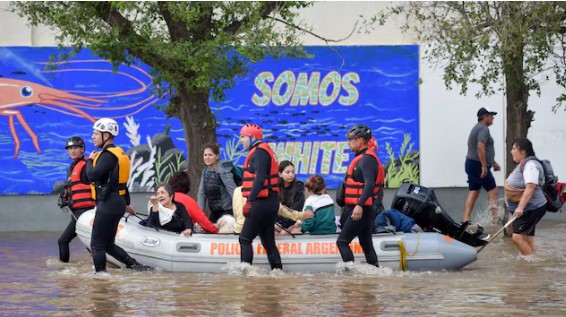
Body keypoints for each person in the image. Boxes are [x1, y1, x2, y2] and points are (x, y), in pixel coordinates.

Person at [86, 117, 151, 273]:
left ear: (106, 136)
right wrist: (127, 203)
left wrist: (89, 160)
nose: (92, 137)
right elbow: (121, 183)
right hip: (118, 202)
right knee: (108, 244)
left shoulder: (107, 155)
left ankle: (100, 277)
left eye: (96, 134)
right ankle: (137, 267)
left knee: (97, 244)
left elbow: (93, 175)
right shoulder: (120, 153)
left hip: (108, 203)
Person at [336, 124, 384, 267]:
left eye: (351, 139)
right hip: (363, 208)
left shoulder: (367, 159)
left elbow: (369, 185)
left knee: (342, 242)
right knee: (366, 244)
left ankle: (351, 275)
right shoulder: (362, 158)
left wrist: (359, 206)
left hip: (362, 209)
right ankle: (375, 274)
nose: (349, 143)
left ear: (361, 140)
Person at [238, 123, 282, 270]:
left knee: (244, 239)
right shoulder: (263, 151)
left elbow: (260, 178)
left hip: (262, 203)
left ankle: (245, 275)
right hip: (270, 202)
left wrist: (249, 201)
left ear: (252, 137)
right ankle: (277, 273)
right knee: (268, 242)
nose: (241, 140)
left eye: (243, 137)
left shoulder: (259, 153)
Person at [504, 138, 547, 257]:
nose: (512, 152)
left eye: (514, 149)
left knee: (517, 237)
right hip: (529, 208)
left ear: (523, 151)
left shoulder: (531, 165)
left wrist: (520, 207)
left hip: (530, 208)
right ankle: (530, 266)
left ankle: (530, 263)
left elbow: (531, 186)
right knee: (527, 239)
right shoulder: (524, 164)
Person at [57, 136, 96, 263]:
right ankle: (65, 270)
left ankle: (65, 268)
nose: (72, 151)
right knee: (68, 241)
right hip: (76, 212)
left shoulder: (86, 165)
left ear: (82, 149)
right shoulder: (71, 168)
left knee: (65, 241)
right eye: (70, 148)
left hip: (87, 212)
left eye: (75, 148)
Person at [463, 107, 501, 225]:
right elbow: (480, 147)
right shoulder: (483, 129)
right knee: (493, 189)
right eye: (491, 115)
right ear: (485, 117)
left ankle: (466, 219)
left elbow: (481, 149)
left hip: (471, 163)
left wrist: (493, 163)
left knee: (474, 190)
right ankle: (495, 218)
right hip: (478, 165)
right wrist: (484, 166)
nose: (493, 118)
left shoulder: (477, 128)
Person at [233, 186, 314, 234]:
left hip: (238, 231)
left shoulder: (237, 190)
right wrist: (301, 215)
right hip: (256, 233)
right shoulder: (263, 191)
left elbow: (235, 212)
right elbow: (281, 209)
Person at [197, 143, 237, 223]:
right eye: (205, 155)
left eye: (210, 155)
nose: (207, 157)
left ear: (217, 156)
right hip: (215, 212)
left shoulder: (223, 170)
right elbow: (201, 194)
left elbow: (233, 191)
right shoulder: (205, 171)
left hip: (227, 212)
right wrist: (199, 215)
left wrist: (238, 213)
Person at [275, 160, 306, 232]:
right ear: (280, 174)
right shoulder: (274, 188)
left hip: (291, 223)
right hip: (275, 224)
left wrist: (282, 225)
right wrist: (277, 225)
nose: (291, 175)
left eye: (292, 172)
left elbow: (296, 209)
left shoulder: (298, 189)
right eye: (287, 172)